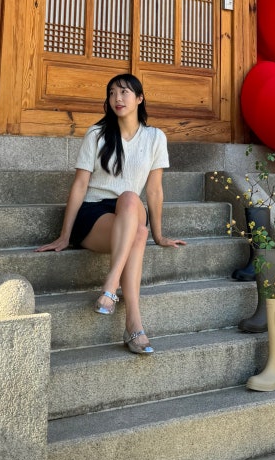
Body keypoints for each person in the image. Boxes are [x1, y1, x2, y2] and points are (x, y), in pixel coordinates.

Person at [37, 74, 185, 354]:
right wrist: (65, 235)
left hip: (130, 209)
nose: (117, 98)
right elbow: (80, 185)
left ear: (139, 99)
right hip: (95, 214)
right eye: (112, 93)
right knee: (138, 233)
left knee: (130, 199)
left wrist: (160, 235)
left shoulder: (155, 137)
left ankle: (110, 286)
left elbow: (154, 191)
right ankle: (134, 325)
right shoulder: (97, 134)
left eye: (125, 92)